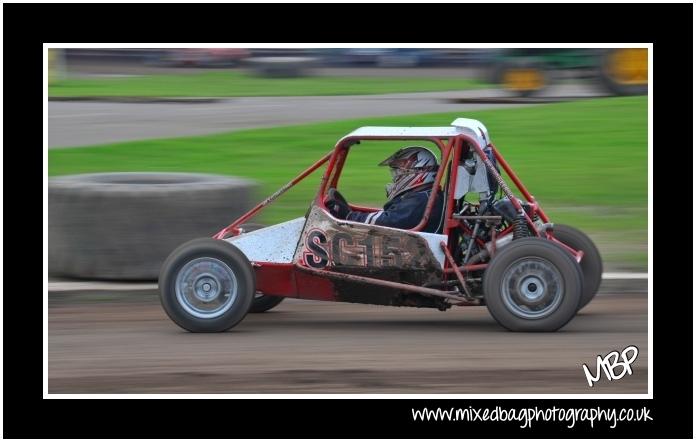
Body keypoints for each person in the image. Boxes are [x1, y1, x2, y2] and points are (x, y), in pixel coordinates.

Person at [325, 146, 444, 233]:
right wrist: (351, 214)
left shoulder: (420, 200)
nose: (395, 178)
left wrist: (349, 215)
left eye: (397, 173)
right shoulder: (424, 196)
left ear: (417, 173)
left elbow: (387, 221)